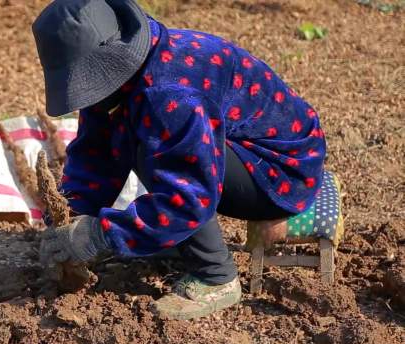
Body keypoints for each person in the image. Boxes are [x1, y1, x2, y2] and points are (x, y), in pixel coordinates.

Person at [33, 0, 326, 320]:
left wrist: (101, 234)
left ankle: (215, 276)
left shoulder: (170, 96)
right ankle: (163, 235)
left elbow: (188, 195)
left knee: (152, 151)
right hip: (230, 147)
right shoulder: (126, 71)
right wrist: (71, 217)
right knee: (135, 134)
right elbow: (95, 151)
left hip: (283, 170)